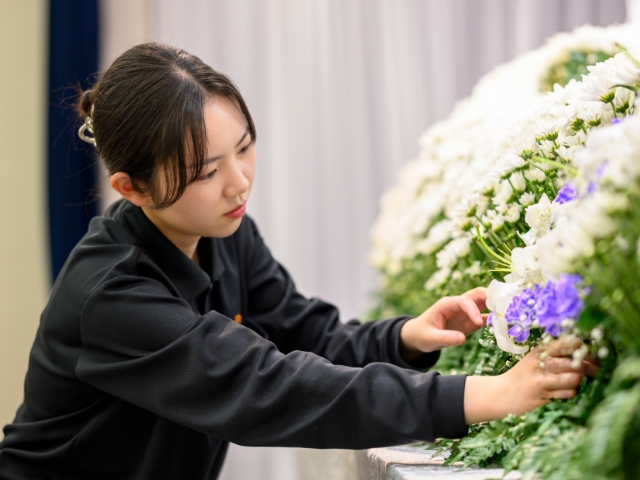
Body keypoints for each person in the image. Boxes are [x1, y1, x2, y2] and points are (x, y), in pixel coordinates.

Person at [0, 43, 594, 480]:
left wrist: (407, 337)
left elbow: (308, 336)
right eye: (207, 172)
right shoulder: (111, 295)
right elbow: (272, 387)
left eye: (244, 148)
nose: (239, 184)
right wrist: (488, 393)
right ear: (132, 189)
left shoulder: (225, 234)